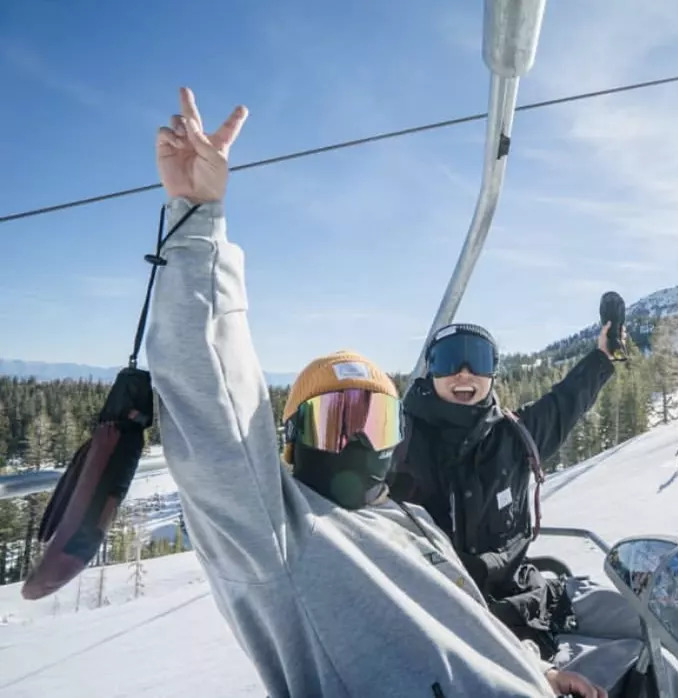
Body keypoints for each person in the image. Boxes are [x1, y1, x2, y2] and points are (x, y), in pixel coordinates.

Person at [146, 86, 606, 698]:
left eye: (378, 422)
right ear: (291, 437)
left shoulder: (408, 518)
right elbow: (210, 405)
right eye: (341, 421)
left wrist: (537, 671)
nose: (363, 440)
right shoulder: (285, 537)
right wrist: (197, 218)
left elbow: (467, 623)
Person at [389, 321, 627, 654]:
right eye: (448, 360)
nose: (464, 373)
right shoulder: (399, 445)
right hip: (455, 621)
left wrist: (603, 356)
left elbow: (565, 403)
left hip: (532, 598)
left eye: (479, 361)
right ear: (430, 371)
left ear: (493, 374)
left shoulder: (514, 436)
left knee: (638, 624)